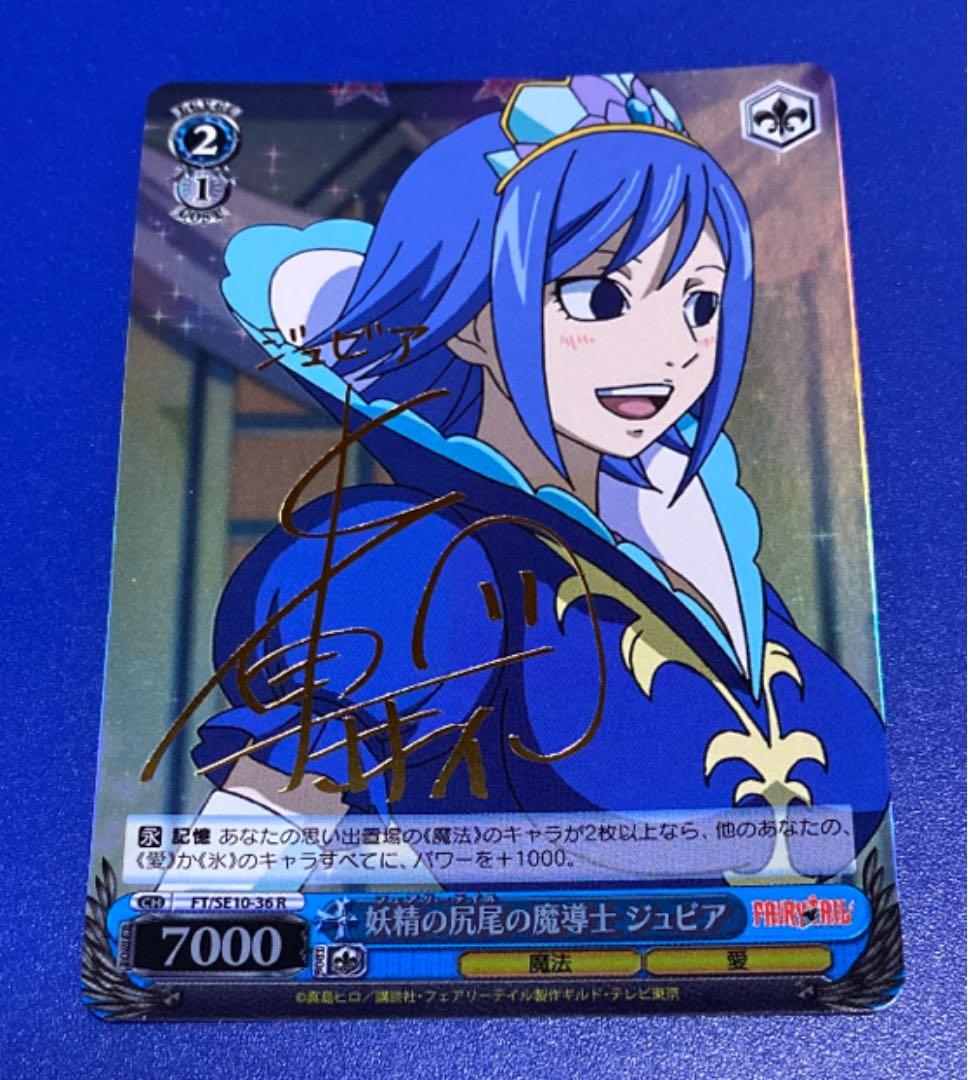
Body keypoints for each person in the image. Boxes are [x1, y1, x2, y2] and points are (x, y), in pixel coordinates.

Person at [193, 74, 889, 887]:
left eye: (700, 304)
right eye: (601, 296)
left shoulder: (705, 562)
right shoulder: (411, 562)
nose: (672, 352)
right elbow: (229, 881)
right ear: (470, 321)